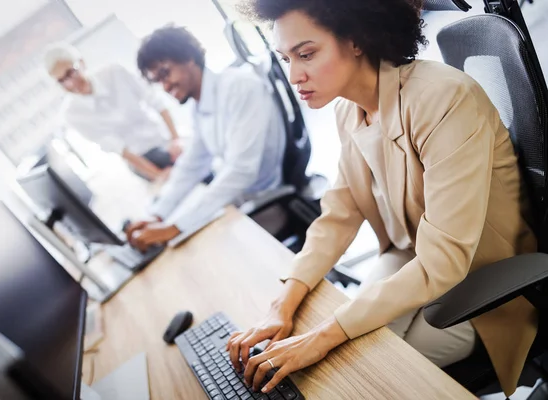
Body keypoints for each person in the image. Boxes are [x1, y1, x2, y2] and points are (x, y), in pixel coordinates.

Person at [226, 0, 537, 397]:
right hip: (409, 258)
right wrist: (283, 303)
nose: (294, 75)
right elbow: (339, 216)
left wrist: (325, 335)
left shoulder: (443, 98)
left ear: (356, 39)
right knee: (318, 346)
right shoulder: (350, 112)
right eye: (286, 58)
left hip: (482, 283)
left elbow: (443, 259)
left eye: (306, 54)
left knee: (356, 374)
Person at [124, 26, 286, 250]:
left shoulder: (239, 87)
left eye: (165, 73)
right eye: (158, 81)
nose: (165, 86)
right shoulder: (200, 107)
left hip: (264, 201)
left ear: (188, 58)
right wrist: (158, 214)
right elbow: (191, 166)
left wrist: (176, 226)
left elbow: (241, 170)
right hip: (239, 199)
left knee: (194, 255)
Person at [44, 43, 182, 182]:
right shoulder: (72, 114)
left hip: (164, 137)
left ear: (81, 63)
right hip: (141, 159)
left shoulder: (114, 72)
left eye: (70, 73)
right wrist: (158, 175)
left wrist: (176, 139)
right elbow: (119, 149)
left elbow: (156, 101)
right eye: (62, 81)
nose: (70, 83)